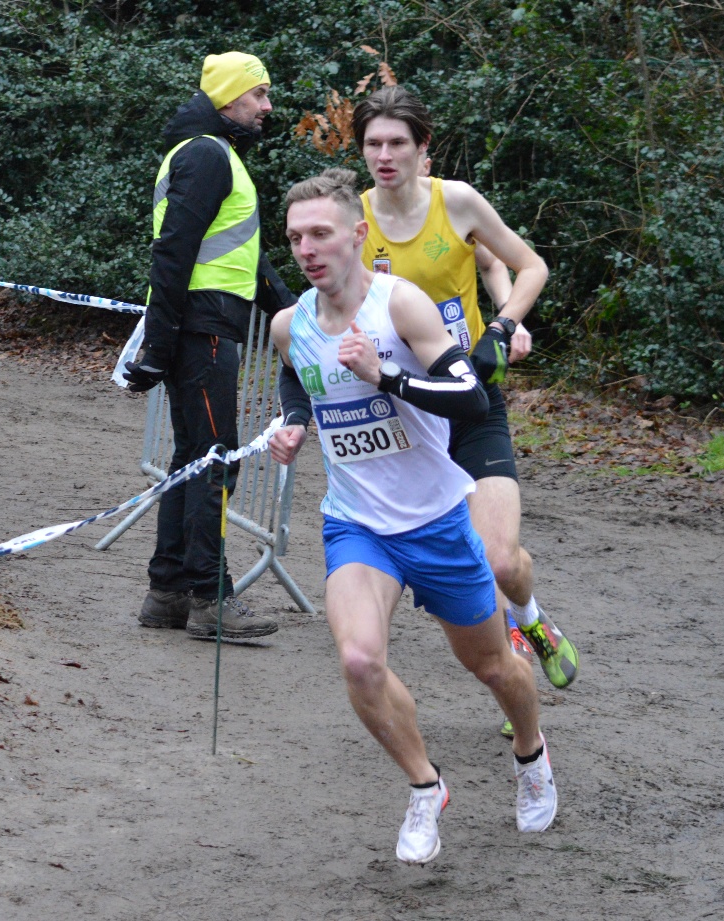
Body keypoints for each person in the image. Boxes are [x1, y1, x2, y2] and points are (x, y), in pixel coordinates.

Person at [267, 168, 557, 863]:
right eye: (295, 237)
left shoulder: (402, 306)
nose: (307, 249)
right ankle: (426, 786)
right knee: (360, 658)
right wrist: (292, 423)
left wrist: (385, 375)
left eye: (321, 234)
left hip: (435, 521)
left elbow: (471, 398)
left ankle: (531, 753)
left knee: (494, 668)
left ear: (357, 236)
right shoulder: (289, 324)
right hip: (357, 523)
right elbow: (295, 375)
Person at [350, 87, 579, 715]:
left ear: (424, 148)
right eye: (374, 143)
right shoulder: (355, 218)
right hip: (402, 415)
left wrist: (502, 328)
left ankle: (531, 619)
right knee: (451, 563)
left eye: (398, 142)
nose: (385, 154)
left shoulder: (457, 202)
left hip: (472, 400)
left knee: (501, 560)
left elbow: (530, 266)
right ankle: (516, 676)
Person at [121, 51, 296, 641]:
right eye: (259, 95)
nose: (267, 107)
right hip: (204, 331)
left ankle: (167, 593)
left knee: (193, 458)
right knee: (214, 460)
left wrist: (290, 308)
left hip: (204, 327)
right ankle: (208, 597)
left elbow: (242, 251)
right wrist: (160, 345)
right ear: (228, 99)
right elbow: (171, 253)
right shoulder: (208, 154)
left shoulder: (209, 153)